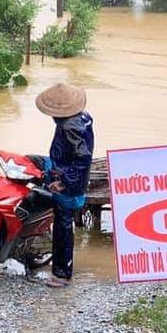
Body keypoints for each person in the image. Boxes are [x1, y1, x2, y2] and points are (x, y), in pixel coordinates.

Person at [34, 82, 94, 288]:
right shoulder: (82, 118)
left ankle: (62, 274)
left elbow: (83, 160)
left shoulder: (71, 127)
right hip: (62, 168)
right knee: (31, 160)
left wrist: (64, 182)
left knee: (63, 226)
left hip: (70, 180)